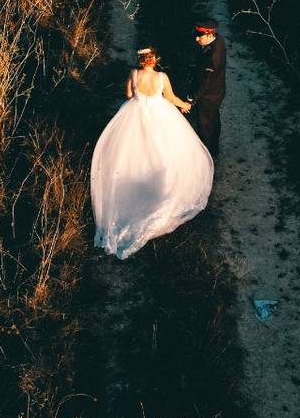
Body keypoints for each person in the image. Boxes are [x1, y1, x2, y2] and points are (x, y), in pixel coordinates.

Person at [91, 47, 214, 259]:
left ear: (140, 61)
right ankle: (160, 188)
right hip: (160, 115)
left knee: (131, 153)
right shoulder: (162, 77)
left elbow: (129, 95)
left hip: (135, 115)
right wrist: (185, 105)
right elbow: (171, 97)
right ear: (154, 60)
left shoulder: (134, 74)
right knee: (165, 151)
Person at [189, 19, 226, 157]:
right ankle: (214, 149)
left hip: (208, 95)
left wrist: (192, 97)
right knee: (214, 120)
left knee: (205, 125)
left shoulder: (214, 56)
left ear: (210, 35)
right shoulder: (218, 40)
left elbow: (206, 81)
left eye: (200, 36)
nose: (196, 38)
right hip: (217, 92)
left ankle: (206, 155)